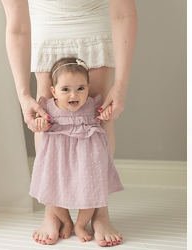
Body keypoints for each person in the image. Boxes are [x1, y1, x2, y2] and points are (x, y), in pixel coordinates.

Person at [0, 0, 136, 246]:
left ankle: (99, 211)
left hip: (95, 18)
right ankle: (52, 211)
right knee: (48, 116)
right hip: (45, 24)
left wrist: (122, 84)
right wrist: (23, 96)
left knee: (97, 112)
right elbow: (17, 26)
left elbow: (124, 13)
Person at [29, 57, 124, 244]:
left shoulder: (92, 104)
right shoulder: (48, 107)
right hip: (58, 159)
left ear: (88, 88)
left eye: (81, 88)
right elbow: (41, 122)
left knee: (91, 196)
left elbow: (103, 116)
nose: (74, 95)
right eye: (66, 90)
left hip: (86, 159)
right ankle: (65, 221)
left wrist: (105, 113)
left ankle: (81, 224)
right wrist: (40, 122)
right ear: (53, 92)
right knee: (53, 193)